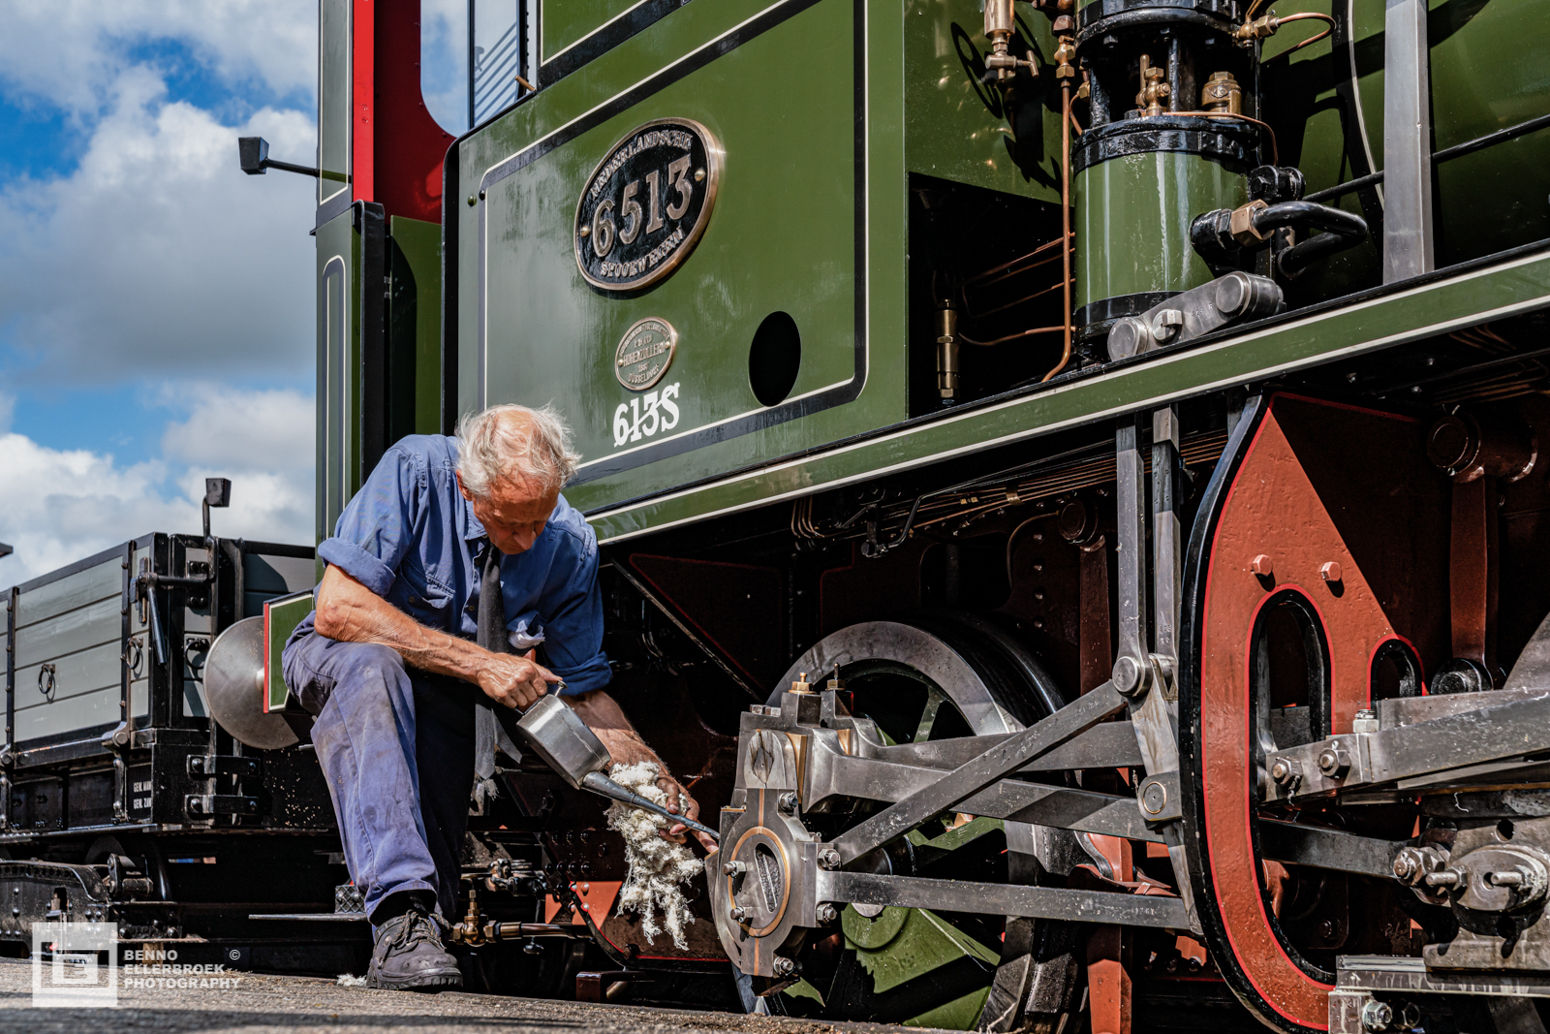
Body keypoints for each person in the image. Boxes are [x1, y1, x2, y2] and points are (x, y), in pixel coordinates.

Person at [282, 403, 712, 992]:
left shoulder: (570, 543)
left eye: (541, 518)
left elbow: (585, 692)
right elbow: (338, 609)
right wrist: (482, 663)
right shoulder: (414, 469)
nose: (528, 538)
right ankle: (400, 918)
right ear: (466, 486)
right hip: (341, 655)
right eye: (511, 522)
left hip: (447, 686)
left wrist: (654, 785)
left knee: (440, 731)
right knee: (375, 667)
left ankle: (427, 925)